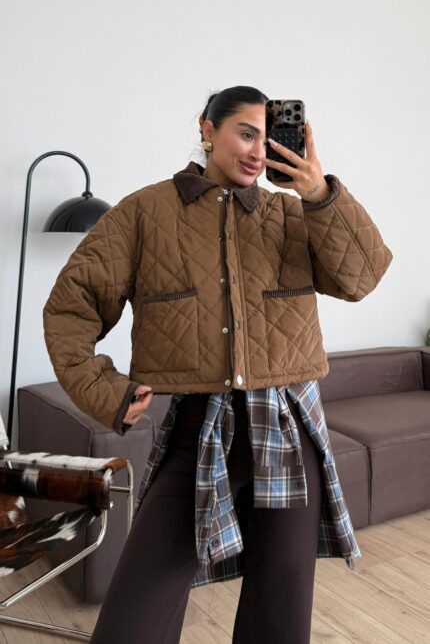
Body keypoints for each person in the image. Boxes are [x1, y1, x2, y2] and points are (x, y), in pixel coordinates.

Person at [43, 85, 393, 643]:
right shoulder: (145, 212)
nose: (257, 151)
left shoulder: (293, 214)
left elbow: (363, 278)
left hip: (287, 429)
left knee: (280, 611)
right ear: (207, 129)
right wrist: (105, 390)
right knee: (136, 614)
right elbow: (70, 307)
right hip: (198, 427)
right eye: (245, 134)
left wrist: (319, 192)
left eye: (267, 138)